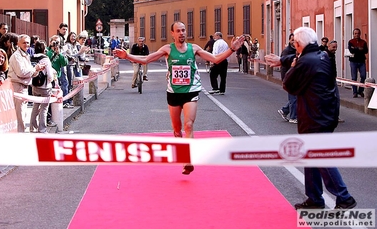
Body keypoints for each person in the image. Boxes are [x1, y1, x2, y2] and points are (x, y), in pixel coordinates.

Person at [114, 21, 245, 175]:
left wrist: (231, 49)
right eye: (178, 31)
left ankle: (188, 160)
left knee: (188, 125)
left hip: (191, 90)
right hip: (174, 93)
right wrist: (127, 56)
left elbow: (215, 59)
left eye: (183, 30)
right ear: (173, 33)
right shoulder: (167, 49)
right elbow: (146, 59)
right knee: (177, 130)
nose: (182, 33)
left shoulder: (194, 48)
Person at [265, 27, 357, 210]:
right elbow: (302, 60)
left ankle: (344, 196)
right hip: (326, 112)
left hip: (314, 115)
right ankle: (314, 198)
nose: (295, 47)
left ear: (298, 44)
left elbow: (289, 84)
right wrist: (284, 60)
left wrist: (288, 66)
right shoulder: (322, 55)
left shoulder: (305, 61)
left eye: (295, 44)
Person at [8, 34, 46, 132]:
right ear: (18, 43)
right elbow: (22, 73)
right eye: (24, 42)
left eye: (28, 43)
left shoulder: (25, 55)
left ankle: (21, 134)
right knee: (19, 115)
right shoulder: (17, 56)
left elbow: (30, 73)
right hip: (17, 87)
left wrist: (36, 70)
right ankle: (20, 137)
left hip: (23, 87)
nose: (26, 45)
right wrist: (35, 69)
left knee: (23, 114)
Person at [30, 41, 54, 133]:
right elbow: (50, 75)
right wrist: (51, 82)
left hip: (35, 85)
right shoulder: (45, 59)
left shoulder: (32, 57)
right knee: (44, 108)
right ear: (44, 49)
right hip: (45, 87)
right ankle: (42, 129)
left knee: (35, 106)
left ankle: (32, 127)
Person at [277, 33, 297, 124]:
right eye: (292, 40)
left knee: (296, 97)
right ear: (289, 40)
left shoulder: (298, 50)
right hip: (289, 78)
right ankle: (293, 117)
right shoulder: (287, 51)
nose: (293, 42)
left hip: (296, 77)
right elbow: (283, 67)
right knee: (294, 98)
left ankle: (284, 110)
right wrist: (285, 79)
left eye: (295, 40)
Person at [46, 35, 70, 108]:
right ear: (50, 42)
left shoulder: (61, 51)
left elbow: (65, 63)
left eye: (58, 42)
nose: (56, 44)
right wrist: (52, 51)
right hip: (48, 77)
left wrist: (59, 53)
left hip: (57, 77)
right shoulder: (47, 50)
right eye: (55, 42)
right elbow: (47, 59)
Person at [348, 28, 368, 98]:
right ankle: (355, 92)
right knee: (354, 77)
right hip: (353, 61)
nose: (357, 35)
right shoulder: (351, 42)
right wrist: (359, 49)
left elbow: (366, 51)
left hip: (362, 61)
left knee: (363, 76)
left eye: (358, 33)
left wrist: (355, 48)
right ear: (353, 34)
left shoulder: (363, 42)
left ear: (360, 34)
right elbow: (351, 50)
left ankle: (360, 90)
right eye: (355, 33)